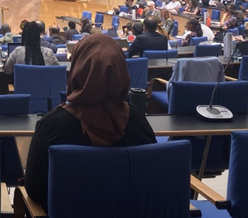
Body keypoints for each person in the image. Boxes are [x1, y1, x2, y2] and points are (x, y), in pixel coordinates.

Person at [24, 34, 157, 209]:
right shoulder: (138, 122)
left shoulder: (51, 127)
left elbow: (35, 190)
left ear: (78, 69)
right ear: (121, 70)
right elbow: (152, 181)